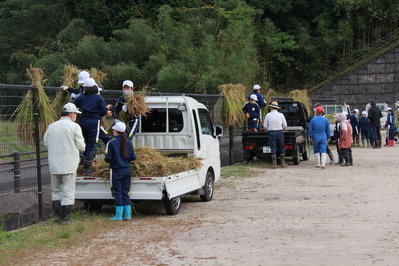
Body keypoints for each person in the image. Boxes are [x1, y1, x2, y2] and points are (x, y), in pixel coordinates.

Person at [43, 103, 85, 224]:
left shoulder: (52, 126)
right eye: (75, 114)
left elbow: (46, 142)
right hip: (69, 163)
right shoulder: (74, 127)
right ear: (72, 114)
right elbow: (81, 146)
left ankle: (56, 215)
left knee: (56, 190)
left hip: (54, 164)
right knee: (68, 191)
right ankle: (65, 218)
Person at [74, 78, 112, 175]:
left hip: (83, 122)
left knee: (101, 139)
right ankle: (86, 167)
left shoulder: (81, 97)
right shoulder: (98, 98)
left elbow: (73, 105)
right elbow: (104, 111)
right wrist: (100, 112)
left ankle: (83, 161)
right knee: (92, 144)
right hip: (94, 122)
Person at [105, 121, 136, 221]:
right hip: (127, 170)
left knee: (117, 192)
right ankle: (127, 215)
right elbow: (133, 157)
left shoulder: (111, 143)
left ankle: (118, 216)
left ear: (115, 131)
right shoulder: (129, 143)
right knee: (125, 192)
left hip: (116, 170)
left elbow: (108, 158)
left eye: (113, 130)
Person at [263, 101, 287, 168]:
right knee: (281, 146)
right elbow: (285, 125)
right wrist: (282, 128)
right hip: (280, 131)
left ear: (271, 108)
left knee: (273, 147)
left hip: (271, 132)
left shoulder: (268, 115)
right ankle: (283, 162)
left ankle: (274, 163)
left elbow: (265, 126)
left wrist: (268, 129)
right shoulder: (281, 115)